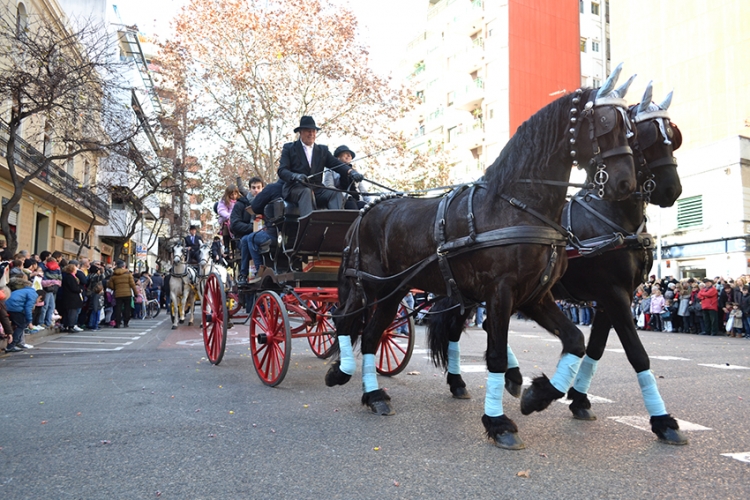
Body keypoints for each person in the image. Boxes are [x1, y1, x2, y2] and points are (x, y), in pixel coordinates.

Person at [277, 116, 364, 218]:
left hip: (317, 189)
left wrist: (351, 172)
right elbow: (282, 170)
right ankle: (308, 228)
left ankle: (337, 224)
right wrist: (295, 176)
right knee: (306, 192)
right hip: (295, 188)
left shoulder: (322, 150)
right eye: (308, 131)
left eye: (313, 131)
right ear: (300, 132)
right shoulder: (289, 148)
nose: (311, 133)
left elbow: (336, 164)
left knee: (335, 193)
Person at [231, 177, 265, 284]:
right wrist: (252, 227)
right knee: (247, 239)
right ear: (249, 189)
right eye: (253, 188)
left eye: (258, 188)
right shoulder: (240, 204)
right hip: (243, 238)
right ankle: (244, 274)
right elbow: (234, 225)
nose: (256, 190)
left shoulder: (267, 202)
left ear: (262, 188)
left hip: (263, 235)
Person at [5, 275, 38, 351]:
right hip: (15, 308)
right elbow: (28, 308)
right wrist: (29, 321)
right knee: (21, 325)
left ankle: (15, 343)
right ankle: (11, 345)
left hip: (8, 306)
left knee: (15, 325)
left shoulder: (22, 291)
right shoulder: (33, 294)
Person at [58, 263, 84, 333]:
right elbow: (73, 288)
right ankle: (70, 326)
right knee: (72, 313)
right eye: (75, 269)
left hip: (70, 297)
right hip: (71, 298)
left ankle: (66, 325)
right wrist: (79, 290)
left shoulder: (70, 277)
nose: (76, 271)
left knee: (69, 313)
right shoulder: (70, 277)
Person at [110, 260, 137, 328]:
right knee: (127, 308)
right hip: (127, 293)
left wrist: (116, 288)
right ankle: (126, 323)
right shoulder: (128, 274)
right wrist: (136, 293)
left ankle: (118, 323)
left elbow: (110, 285)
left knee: (118, 308)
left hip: (118, 294)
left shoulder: (114, 274)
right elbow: (132, 284)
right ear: (123, 266)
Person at [217, 185, 240, 259]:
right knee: (226, 226)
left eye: (235, 194)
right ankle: (226, 246)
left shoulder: (239, 200)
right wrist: (228, 216)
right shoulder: (224, 201)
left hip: (237, 219)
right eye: (232, 194)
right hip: (227, 219)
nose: (234, 196)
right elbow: (221, 210)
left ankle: (236, 245)